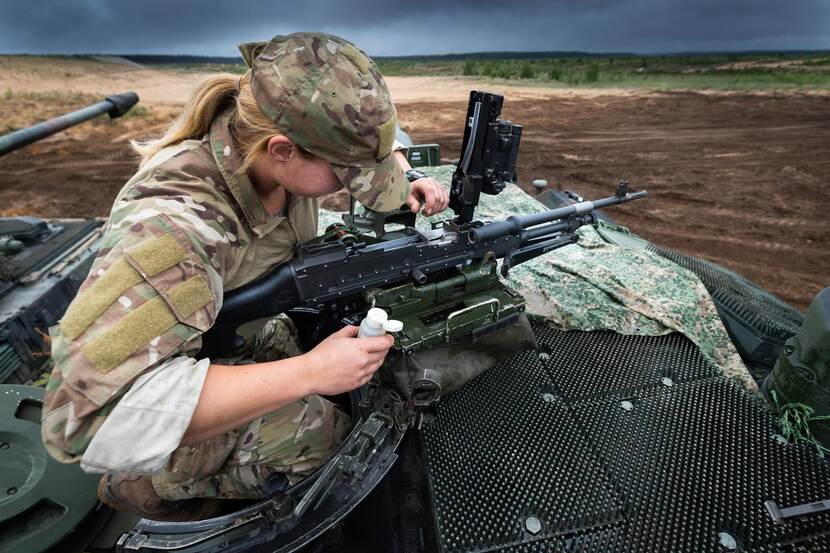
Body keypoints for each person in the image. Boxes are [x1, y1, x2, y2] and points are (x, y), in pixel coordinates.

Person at [40, 32, 449, 520]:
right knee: (327, 438)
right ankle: (150, 484)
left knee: (327, 368)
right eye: (346, 175)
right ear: (282, 150)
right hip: (165, 380)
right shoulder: (176, 226)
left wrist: (399, 174)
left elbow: (364, 131)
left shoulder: (272, 140)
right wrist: (309, 372)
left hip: (241, 334)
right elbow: (85, 421)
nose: (355, 189)